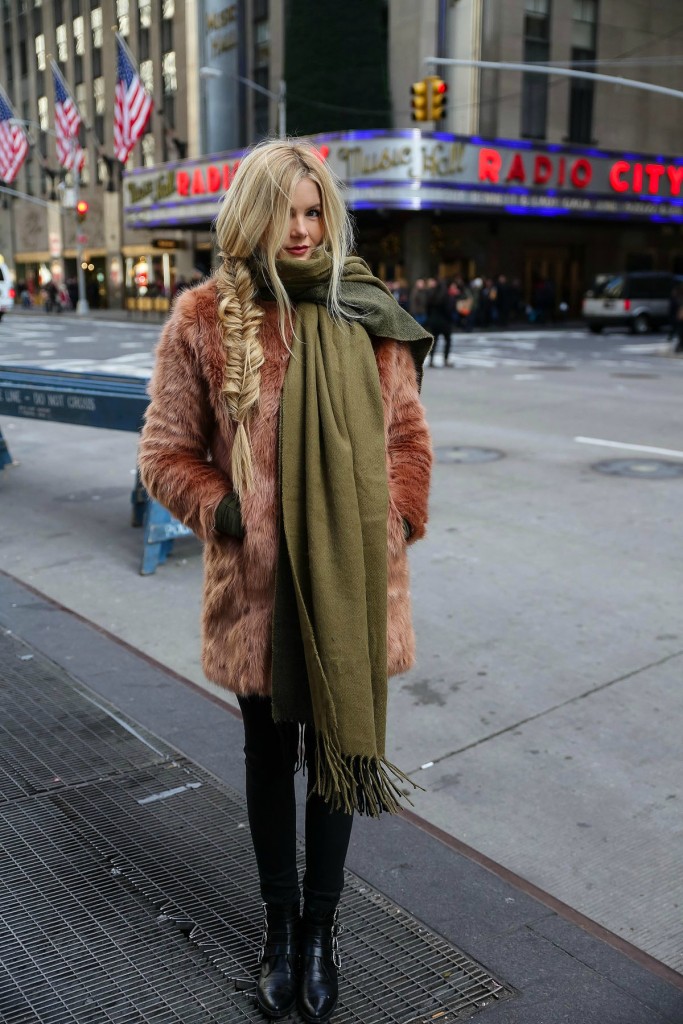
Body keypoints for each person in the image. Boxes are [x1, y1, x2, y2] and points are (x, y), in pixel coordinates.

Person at [138, 139, 433, 1023]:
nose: (302, 230)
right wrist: (232, 514)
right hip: (260, 597)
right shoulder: (203, 317)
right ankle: (277, 927)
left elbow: (408, 444)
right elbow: (164, 455)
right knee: (271, 759)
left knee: (336, 758)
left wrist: (396, 521)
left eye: (314, 211)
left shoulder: (366, 312)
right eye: (286, 212)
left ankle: (320, 931)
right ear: (253, 215)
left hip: (352, 585)